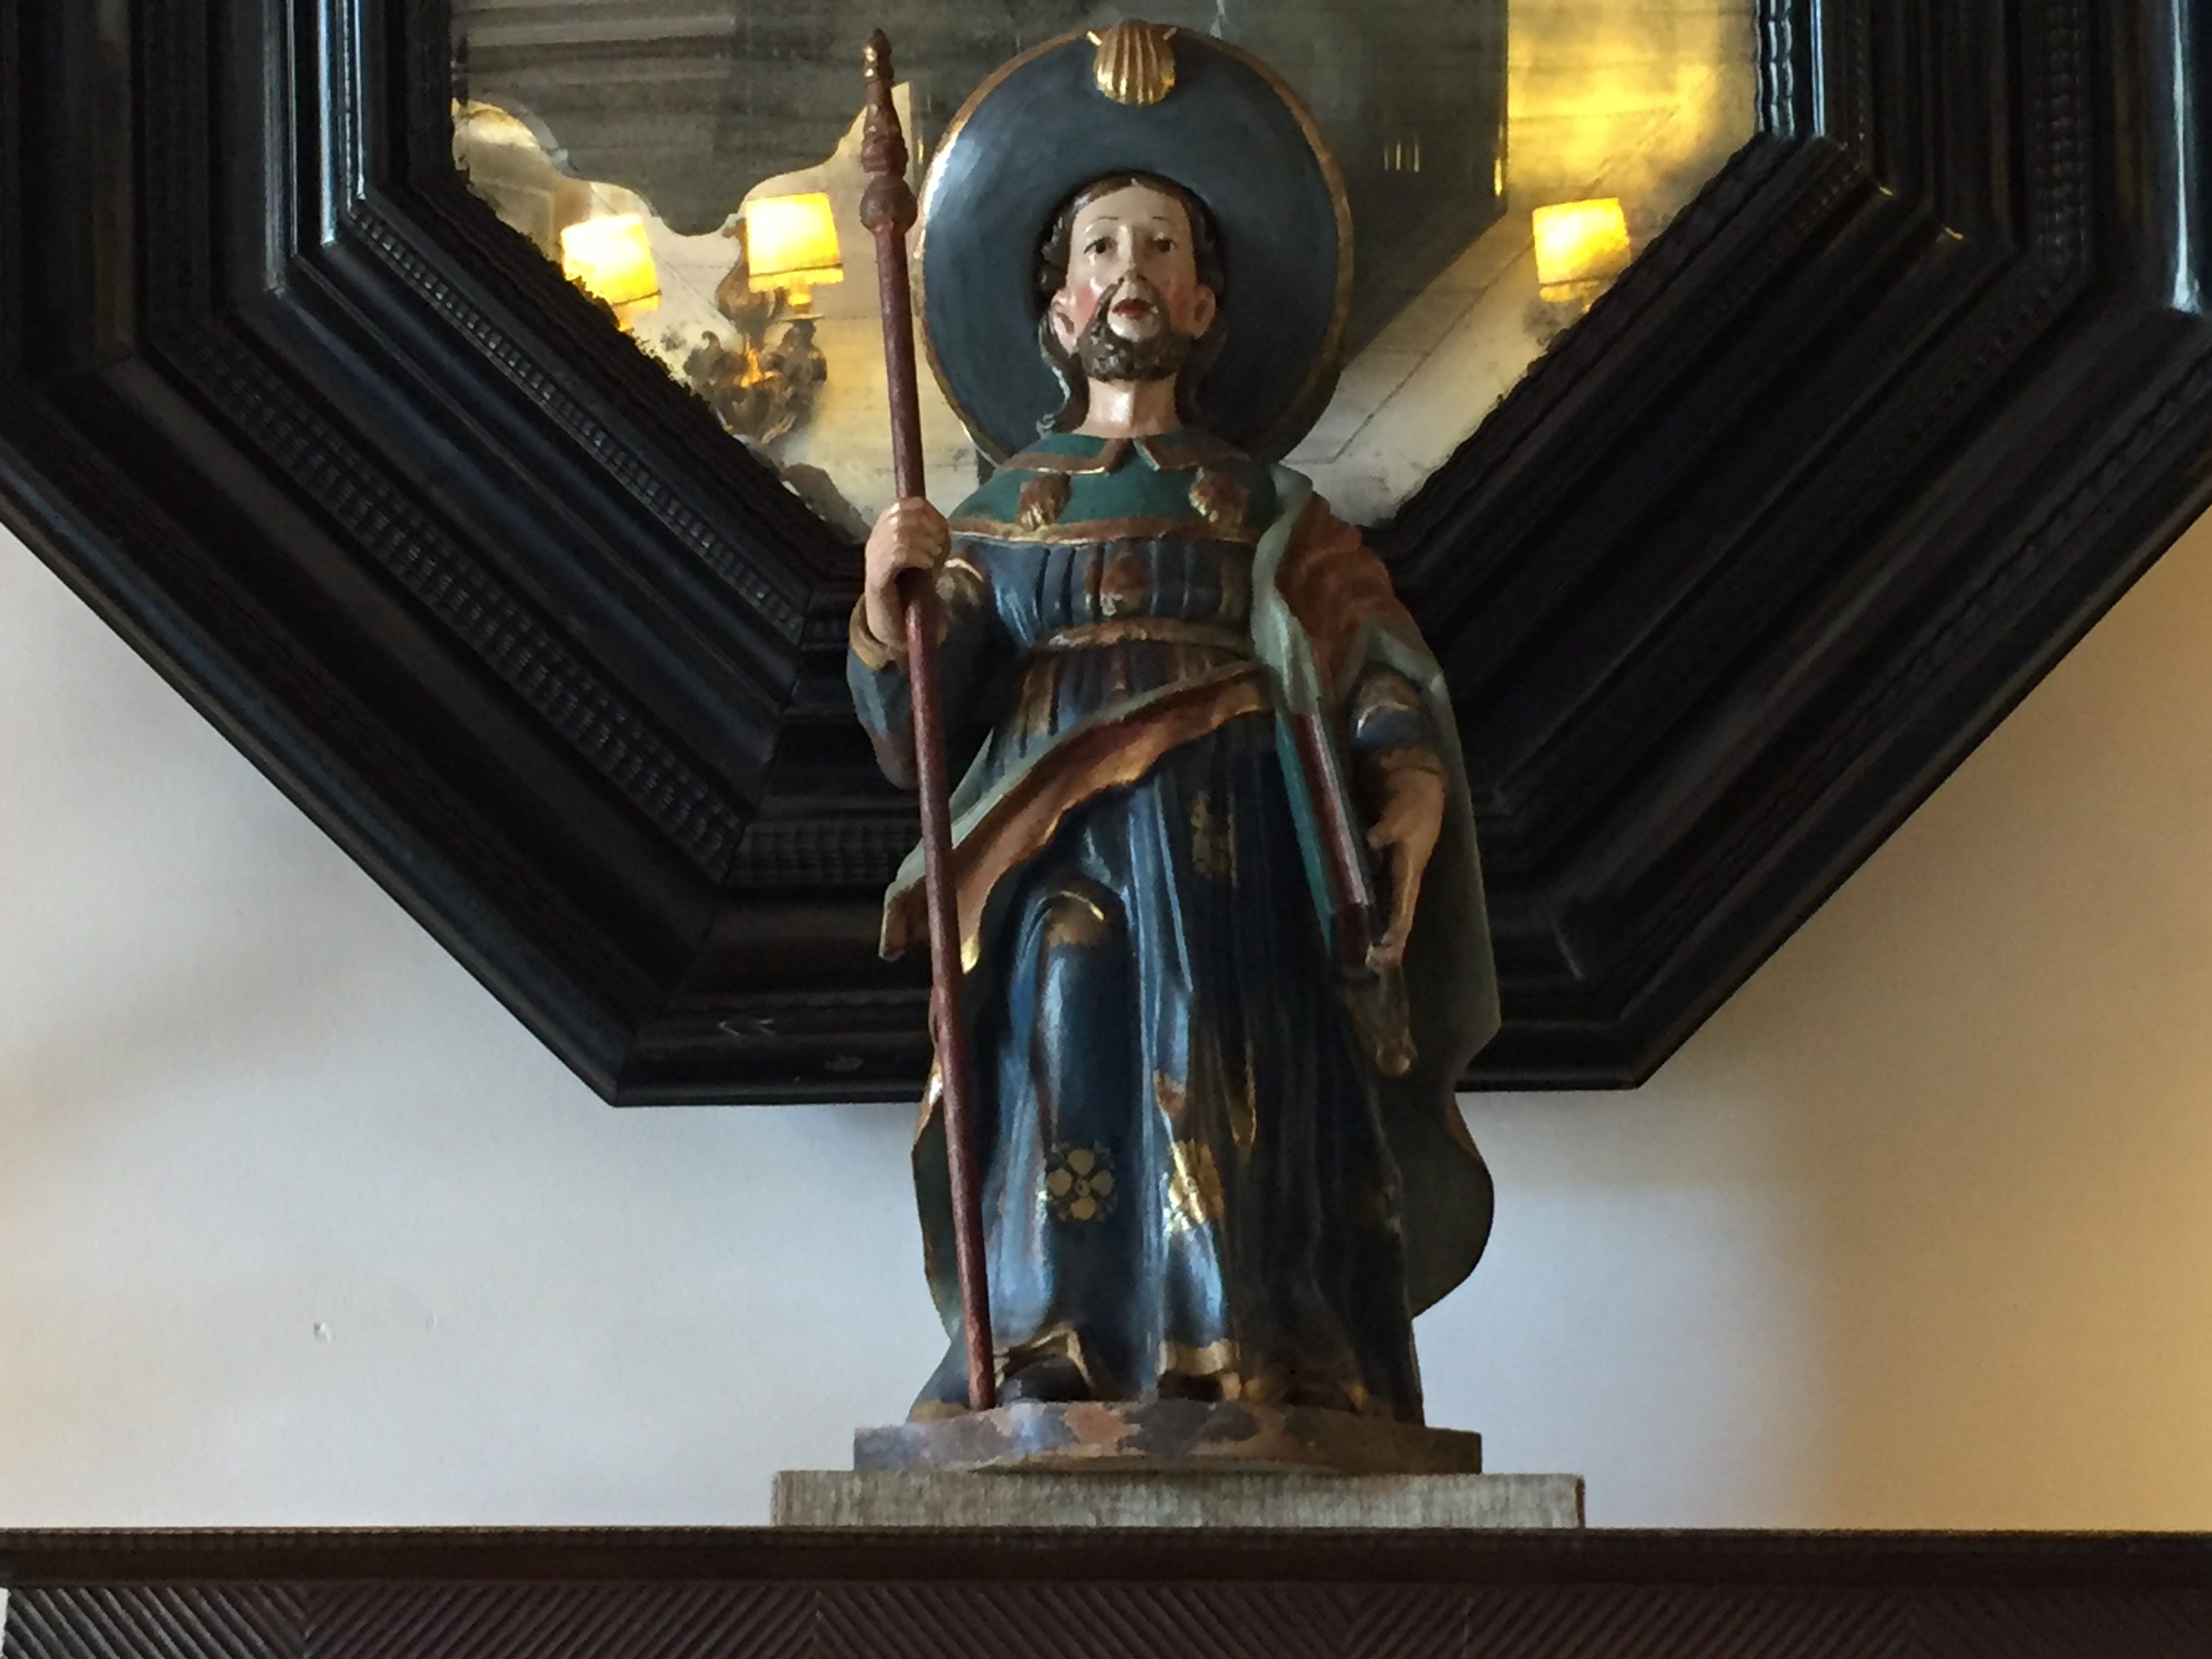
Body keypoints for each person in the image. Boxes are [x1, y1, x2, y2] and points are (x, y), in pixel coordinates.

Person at [848, 24, 1498, 1424]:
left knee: (1225, 1051)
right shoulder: (998, 516)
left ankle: (1248, 1338)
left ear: (1204, 306)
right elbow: (920, 724)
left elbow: (1369, 653)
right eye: (1101, 248)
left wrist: (1406, 776)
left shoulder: (1267, 507)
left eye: (1161, 248)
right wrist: (892, 600)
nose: (1129, 270)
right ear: (1059, 309)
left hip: (1241, 836)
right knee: (1064, 1013)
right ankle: (1051, 1339)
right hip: (1051, 836)